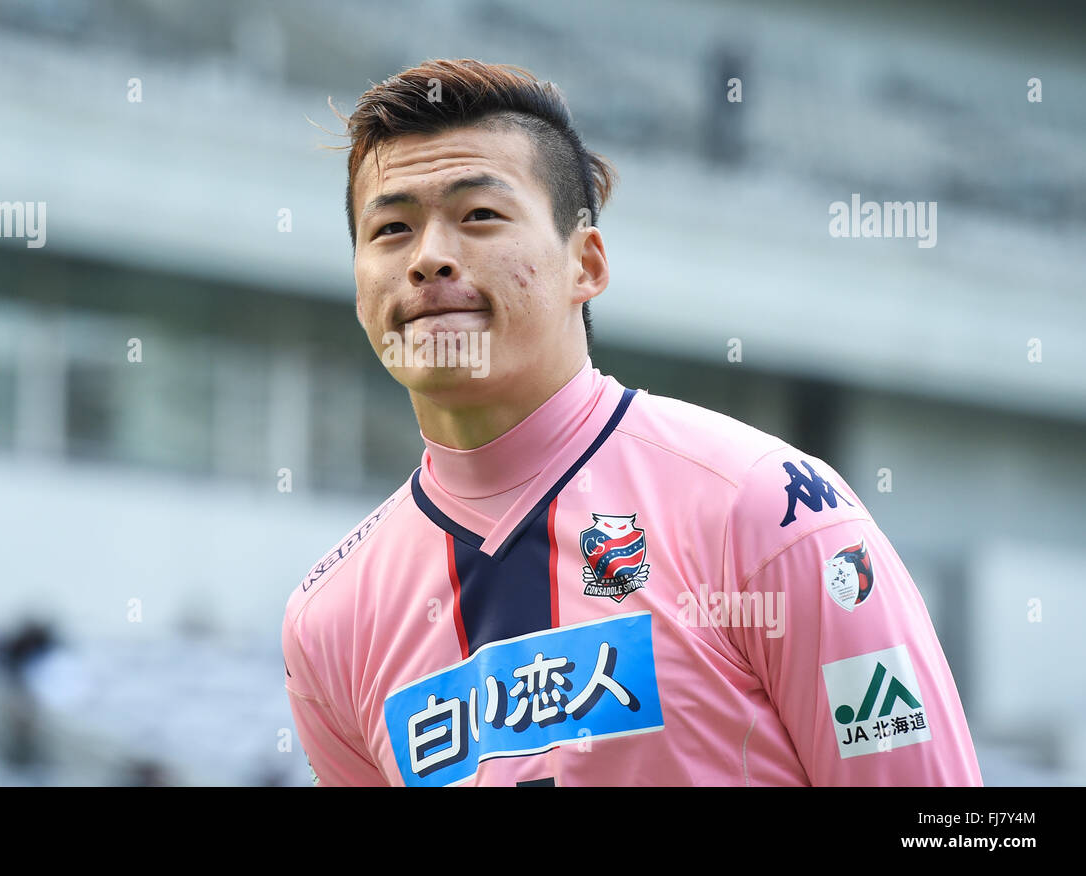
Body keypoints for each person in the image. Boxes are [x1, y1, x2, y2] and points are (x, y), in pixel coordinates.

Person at [282, 58, 983, 787]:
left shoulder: (768, 508)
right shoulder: (329, 619)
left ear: (585, 264)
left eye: (479, 216)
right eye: (391, 229)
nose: (429, 258)